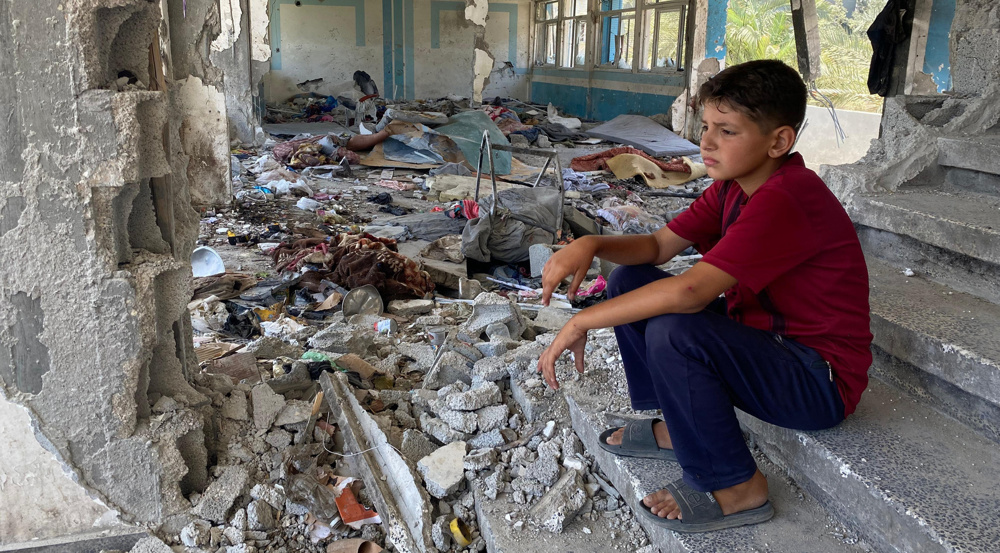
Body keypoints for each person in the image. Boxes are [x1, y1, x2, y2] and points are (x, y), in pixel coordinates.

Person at [535, 59, 873, 533]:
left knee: (677, 328)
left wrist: (581, 321)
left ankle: (738, 487)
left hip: (817, 380)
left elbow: (692, 291)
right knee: (629, 280)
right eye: (706, 126)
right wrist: (591, 243)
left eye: (727, 131)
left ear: (779, 141)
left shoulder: (787, 198)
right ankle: (677, 425)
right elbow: (656, 247)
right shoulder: (734, 188)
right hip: (765, 341)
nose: (706, 143)